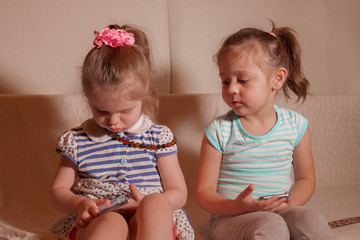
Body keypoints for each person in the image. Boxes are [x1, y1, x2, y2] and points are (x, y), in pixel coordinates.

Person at [50, 24, 194, 240]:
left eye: (125, 110)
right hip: (100, 219)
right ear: (89, 99)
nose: (113, 121)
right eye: (102, 111)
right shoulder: (77, 140)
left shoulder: (158, 137)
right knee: (111, 222)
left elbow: (178, 192)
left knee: (155, 203)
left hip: (147, 221)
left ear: (143, 96)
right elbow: (58, 190)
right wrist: (80, 203)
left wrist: (144, 203)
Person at [195, 22, 335, 239]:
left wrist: (289, 202)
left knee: (311, 219)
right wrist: (237, 206)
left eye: (242, 80)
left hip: (280, 210)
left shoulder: (295, 126)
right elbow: (204, 193)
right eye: (225, 81)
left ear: (277, 79)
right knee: (271, 225)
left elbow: (306, 179)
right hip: (230, 217)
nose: (231, 88)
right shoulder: (219, 131)